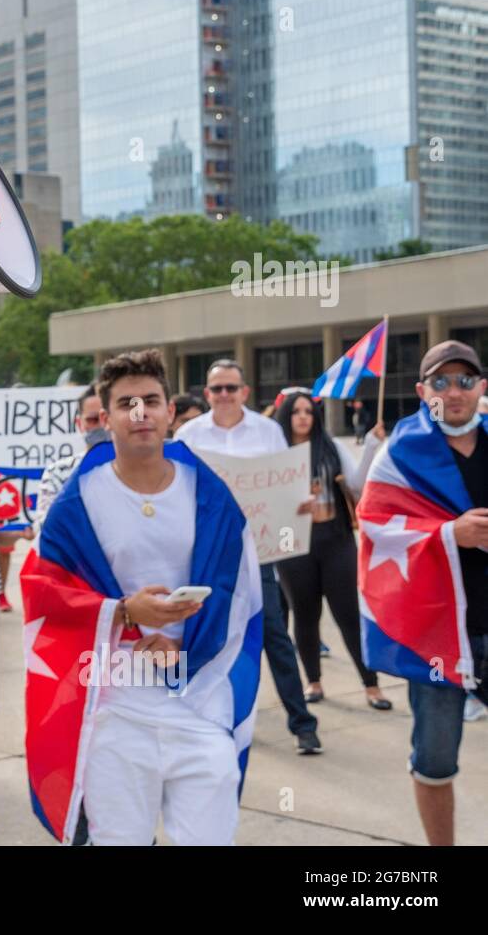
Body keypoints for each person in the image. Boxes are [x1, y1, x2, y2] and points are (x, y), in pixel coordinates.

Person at [22, 349, 262, 845]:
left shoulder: (208, 491)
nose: (140, 413)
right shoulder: (78, 501)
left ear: (170, 411)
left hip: (198, 697)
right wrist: (126, 611)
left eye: (151, 401)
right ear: (104, 417)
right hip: (114, 701)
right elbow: (46, 596)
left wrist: (187, 651)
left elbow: (237, 589)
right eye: (126, 403)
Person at [357, 339, 488, 846]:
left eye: (464, 380)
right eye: (440, 382)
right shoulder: (400, 455)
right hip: (438, 633)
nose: (452, 392)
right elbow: (372, 526)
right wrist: (451, 534)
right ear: (421, 391)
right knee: (435, 759)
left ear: (481, 386)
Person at [175, 359, 322, 754]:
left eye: (231, 388)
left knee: (274, 635)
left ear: (244, 391)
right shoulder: (189, 434)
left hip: (258, 554)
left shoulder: (268, 431)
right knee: (208, 637)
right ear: (206, 394)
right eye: (216, 389)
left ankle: (303, 725)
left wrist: (300, 505)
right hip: (207, 555)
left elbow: (285, 485)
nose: (224, 395)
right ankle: (207, 720)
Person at [271, 392, 390, 709]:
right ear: (285, 416)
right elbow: (265, 504)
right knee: (305, 615)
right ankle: (313, 681)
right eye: (295, 411)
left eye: (309, 411)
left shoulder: (331, 446)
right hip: (292, 543)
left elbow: (357, 484)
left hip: (335, 538)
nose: (303, 416)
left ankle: (371, 684)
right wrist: (291, 502)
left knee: (349, 615)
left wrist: (371, 448)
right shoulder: (275, 453)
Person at [33, 386, 107, 530]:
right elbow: (48, 527)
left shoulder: (140, 469)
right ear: (79, 424)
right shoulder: (57, 473)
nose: (101, 426)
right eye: (93, 420)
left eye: (106, 418)